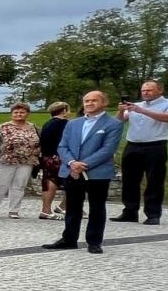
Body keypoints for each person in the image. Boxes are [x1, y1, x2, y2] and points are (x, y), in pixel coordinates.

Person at [43, 90, 121, 254]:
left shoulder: (113, 124)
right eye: (86, 101)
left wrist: (83, 164)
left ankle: (94, 241)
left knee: (97, 207)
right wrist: (72, 163)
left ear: (104, 103)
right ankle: (69, 239)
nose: (90, 103)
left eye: (94, 100)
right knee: (72, 206)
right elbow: (62, 146)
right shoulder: (72, 123)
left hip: (97, 172)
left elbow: (108, 149)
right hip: (71, 170)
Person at [116, 79, 168, 225]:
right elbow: (119, 121)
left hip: (155, 145)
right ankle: (130, 212)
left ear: (160, 90)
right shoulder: (135, 105)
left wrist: (142, 111)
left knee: (154, 180)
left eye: (149, 90)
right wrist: (121, 110)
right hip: (133, 144)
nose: (145, 92)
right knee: (129, 180)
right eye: (143, 90)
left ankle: (153, 214)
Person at [0, 103, 39, 219]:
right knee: (0, 185)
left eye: (22, 112)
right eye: (16, 112)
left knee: (19, 186)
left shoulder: (33, 127)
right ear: (11, 114)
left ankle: (14, 210)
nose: (19, 114)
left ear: (27, 114)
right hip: (6, 160)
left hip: (26, 161)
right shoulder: (2, 127)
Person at [38, 102, 71, 220]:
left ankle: (52, 208)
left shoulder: (48, 124)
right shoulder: (65, 124)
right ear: (64, 110)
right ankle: (55, 208)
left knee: (49, 181)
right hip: (59, 157)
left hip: (47, 157)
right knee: (68, 182)